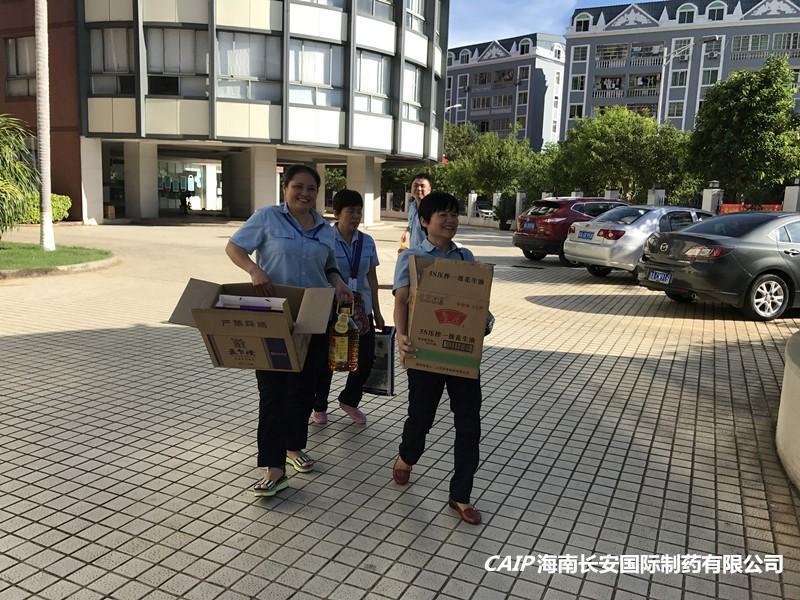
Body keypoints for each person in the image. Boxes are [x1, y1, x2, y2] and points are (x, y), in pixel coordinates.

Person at [225, 164, 353, 498]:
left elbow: (329, 266)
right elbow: (234, 247)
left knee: (304, 389)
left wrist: (338, 282)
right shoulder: (267, 217)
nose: (304, 194)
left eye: (311, 189)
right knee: (272, 392)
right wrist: (253, 270)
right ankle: (273, 468)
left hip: (314, 315)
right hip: (273, 315)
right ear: (285, 188)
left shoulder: (325, 228)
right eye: (298, 187)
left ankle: (294, 447)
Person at [391, 192, 484, 525]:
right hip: (424, 351)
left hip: (461, 354)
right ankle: (407, 456)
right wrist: (401, 337)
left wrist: (483, 321)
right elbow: (401, 301)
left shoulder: (466, 257)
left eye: (454, 214)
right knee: (421, 417)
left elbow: (476, 302)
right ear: (424, 221)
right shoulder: (412, 257)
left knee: (469, 423)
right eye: (442, 215)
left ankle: (460, 495)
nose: (450, 220)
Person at [312, 189, 385, 425]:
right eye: (350, 211)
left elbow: (371, 278)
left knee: (365, 360)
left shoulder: (367, 242)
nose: (355, 217)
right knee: (326, 361)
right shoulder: (324, 239)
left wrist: (378, 311)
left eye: (358, 212)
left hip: (362, 310)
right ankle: (319, 406)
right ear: (336, 214)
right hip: (331, 310)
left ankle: (349, 400)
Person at [398, 173, 432, 251]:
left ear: (429, 189)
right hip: (414, 252)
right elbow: (411, 224)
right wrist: (407, 232)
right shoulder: (412, 206)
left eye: (422, 186)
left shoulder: (433, 210)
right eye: (416, 185)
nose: (419, 189)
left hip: (427, 254)